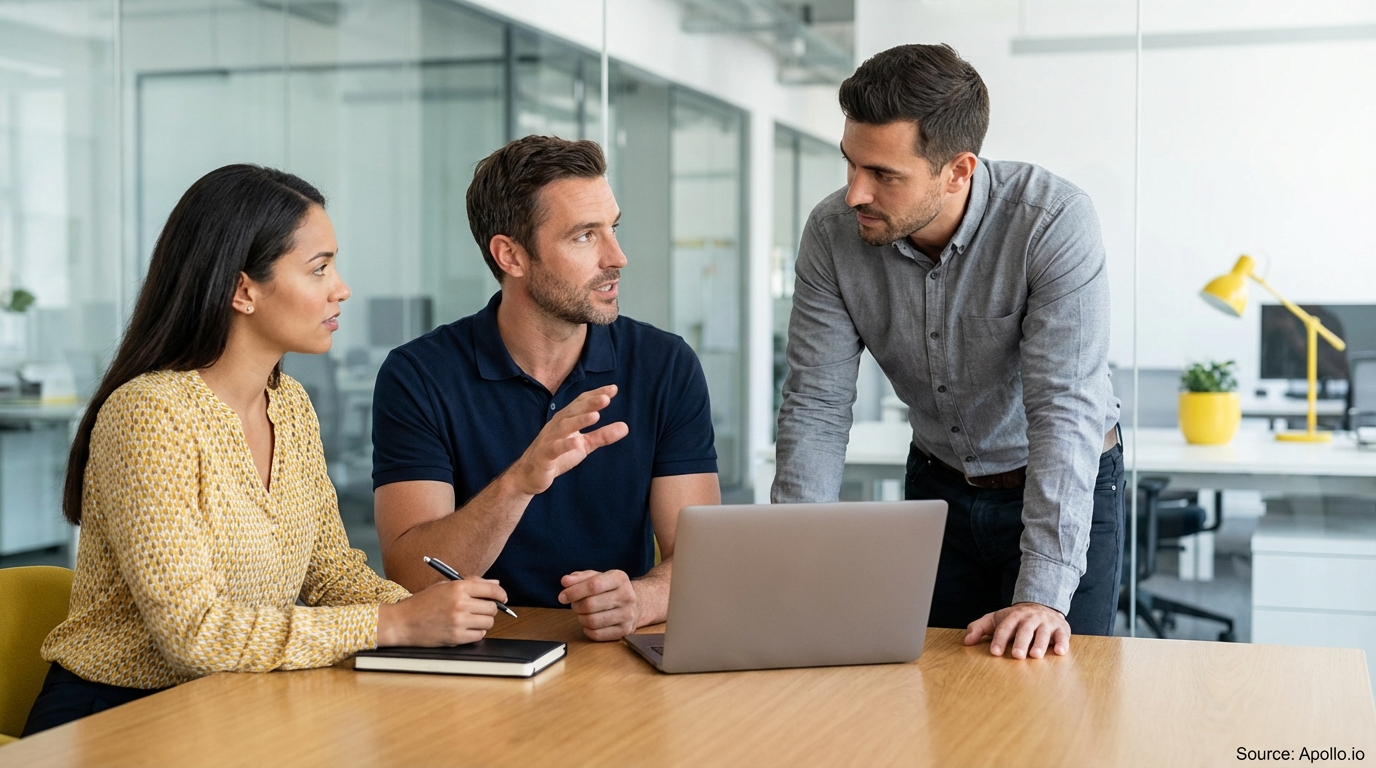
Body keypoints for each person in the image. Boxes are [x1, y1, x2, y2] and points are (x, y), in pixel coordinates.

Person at [24, 165, 505, 735]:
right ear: (242, 289)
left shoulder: (291, 406)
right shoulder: (151, 414)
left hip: (231, 707)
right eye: (319, 268)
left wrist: (439, 613)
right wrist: (392, 625)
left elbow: (329, 574)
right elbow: (193, 634)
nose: (341, 287)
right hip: (121, 718)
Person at [772, 44, 1124, 661]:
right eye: (851, 163)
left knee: (1058, 709)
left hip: (1062, 490)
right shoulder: (831, 234)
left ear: (958, 170)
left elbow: (1064, 411)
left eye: (884, 174)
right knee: (940, 701)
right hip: (939, 489)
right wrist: (795, 562)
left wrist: (1042, 595)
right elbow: (816, 406)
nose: (855, 192)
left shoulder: (1051, 221)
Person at [372, 135, 720, 642]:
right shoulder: (419, 375)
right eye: (584, 236)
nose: (617, 256)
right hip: (473, 662)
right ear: (510, 255)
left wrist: (639, 599)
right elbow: (411, 577)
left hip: (607, 658)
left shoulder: (665, 366)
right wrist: (521, 481)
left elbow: (700, 560)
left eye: (613, 229)